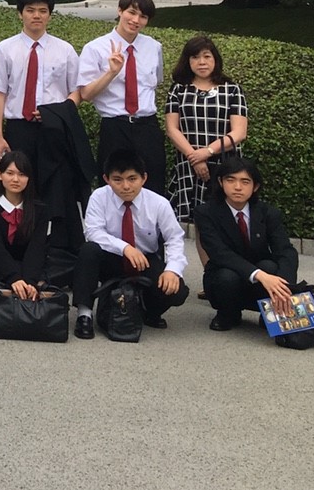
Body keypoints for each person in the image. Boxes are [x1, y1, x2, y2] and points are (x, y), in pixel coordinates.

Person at [0, 0, 89, 249]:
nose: (37, 16)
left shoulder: (64, 50)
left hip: (54, 131)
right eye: (30, 10)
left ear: (50, 16)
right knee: (18, 189)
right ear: (20, 14)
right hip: (19, 130)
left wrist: (56, 111)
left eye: (43, 11)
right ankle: (19, 250)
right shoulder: (5, 49)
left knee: (58, 193)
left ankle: (60, 255)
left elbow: (76, 92)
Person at [71, 149, 189, 339]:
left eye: (132, 179)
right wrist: (124, 248)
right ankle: (84, 314)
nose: (125, 186)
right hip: (110, 258)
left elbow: (174, 238)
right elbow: (93, 232)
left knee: (177, 291)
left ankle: (149, 312)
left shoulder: (159, 203)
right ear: (106, 179)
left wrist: (173, 270)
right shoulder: (99, 197)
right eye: (117, 179)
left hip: (144, 259)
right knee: (88, 251)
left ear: (144, 178)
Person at [193, 156, 299, 332]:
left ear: (255, 186)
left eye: (245, 181)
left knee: (270, 266)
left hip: (260, 280)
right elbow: (219, 253)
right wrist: (259, 275)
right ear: (220, 182)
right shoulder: (205, 212)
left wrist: (285, 287)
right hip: (223, 278)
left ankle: (271, 311)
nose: (237, 187)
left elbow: (286, 251)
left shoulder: (268, 213)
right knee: (227, 276)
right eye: (230, 180)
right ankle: (228, 314)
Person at [78, 0, 167, 197]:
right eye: (131, 13)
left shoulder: (153, 47)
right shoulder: (95, 48)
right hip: (114, 127)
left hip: (147, 126)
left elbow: (155, 83)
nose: (135, 20)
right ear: (120, 10)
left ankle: (150, 230)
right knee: (112, 188)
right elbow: (86, 94)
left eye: (143, 17)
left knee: (153, 186)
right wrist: (111, 73)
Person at [165, 35, 248, 227]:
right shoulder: (178, 89)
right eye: (195, 57)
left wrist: (208, 152)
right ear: (187, 61)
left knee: (223, 222)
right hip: (188, 163)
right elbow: (171, 129)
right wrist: (195, 157)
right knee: (192, 224)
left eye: (206, 56)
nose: (201, 62)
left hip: (224, 163)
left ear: (215, 59)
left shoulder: (232, 90)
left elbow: (239, 132)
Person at [0, 150, 49, 297]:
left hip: (29, 267)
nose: (16, 179)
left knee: (42, 283)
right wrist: (14, 278)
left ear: (29, 178)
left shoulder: (40, 209)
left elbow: (36, 248)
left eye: (22, 175)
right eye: (10, 173)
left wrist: (29, 281)